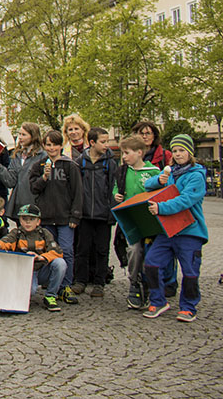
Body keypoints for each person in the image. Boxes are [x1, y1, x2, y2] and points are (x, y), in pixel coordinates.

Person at [142, 134, 207, 322]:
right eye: (176, 151)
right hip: (167, 230)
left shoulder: (196, 176)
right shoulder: (171, 173)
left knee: (190, 271)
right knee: (152, 263)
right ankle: (158, 300)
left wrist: (162, 208)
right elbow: (147, 185)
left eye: (182, 151)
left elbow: (185, 200)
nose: (178, 154)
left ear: (190, 153)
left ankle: (188, 306)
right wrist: (159, 180)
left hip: (190, 231)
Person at [29, 129, 82, 305]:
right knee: (49, 252)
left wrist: (75, 216)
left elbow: (77, 193)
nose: (51, 148)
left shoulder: (70, 166)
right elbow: (34, 189)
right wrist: (44, 177)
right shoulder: (38, 165)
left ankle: (66, 286)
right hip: (46, 218)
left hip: (65, 217)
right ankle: (53, 285)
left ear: (61, 146)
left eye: (54, 145)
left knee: (66, 250)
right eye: (48, 145)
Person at [0, 203, 67, 312]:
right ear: (20, 221)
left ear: (38, 221)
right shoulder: (16, 233)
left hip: (41, 269)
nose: (28, 222)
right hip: (24, 272)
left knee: (60, 263)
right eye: (24, 218)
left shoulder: (44, 233)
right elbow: (6, 242)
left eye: (31, 219)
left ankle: (50, 296)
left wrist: (40, 257)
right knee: (31, 291)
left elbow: (57, 251)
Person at [114, 134, 162, 309]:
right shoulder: (123, 171)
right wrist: (117, 196)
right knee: (134, 250)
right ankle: (134, 283)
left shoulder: (153, 172)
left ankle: (151, 286)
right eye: (123, 153)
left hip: (150, 221)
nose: (124, 157)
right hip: (131, 220)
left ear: (139, 152)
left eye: (127, 153)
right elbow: (116, 189)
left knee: (151, 254)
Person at [72, 126, 116, 297]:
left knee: (102, 250)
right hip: (84, 215)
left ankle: (99, 282)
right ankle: (80, 281)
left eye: (107, 141)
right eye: (103, 142)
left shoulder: (110, 163)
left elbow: (113, 187)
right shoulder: (80, 162)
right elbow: (75, 189)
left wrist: (111, 212)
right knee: (82, 249)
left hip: (103, 215)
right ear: (92, 142)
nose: (106, 145)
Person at [5, 122, 47, 220]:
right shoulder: (17, 155)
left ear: (33, 136)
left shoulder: (42, 156)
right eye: (19, 134)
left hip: (35, 201)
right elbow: (11, 180)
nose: (20, 137)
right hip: (19, 202)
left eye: (23, 135)